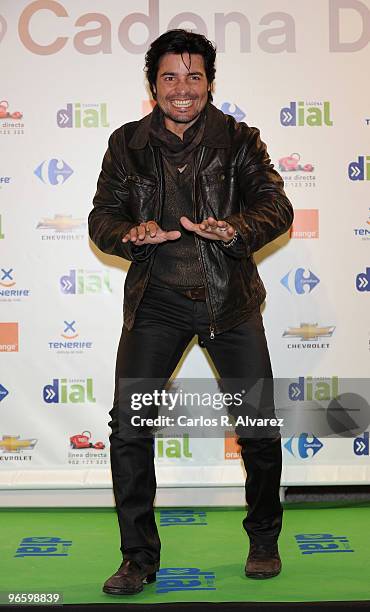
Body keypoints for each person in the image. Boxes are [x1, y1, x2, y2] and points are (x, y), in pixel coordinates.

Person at [88, 29, 294, 596]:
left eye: (194, 77)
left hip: (229, 301)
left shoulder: (239, 139)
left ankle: (264, 537)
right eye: (170, 77)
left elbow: (276, 204)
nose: (183, 89)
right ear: (153, 84)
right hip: (155, 304)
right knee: (130, 428)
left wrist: (236, 229)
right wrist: (129, 234)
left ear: (210, 82)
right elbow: (101, 216)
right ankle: (138, 558)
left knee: (257, 426)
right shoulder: (126, 144)